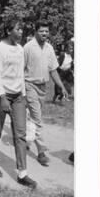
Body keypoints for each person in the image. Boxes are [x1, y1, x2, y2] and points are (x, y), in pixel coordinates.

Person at [0, 20, 37, 188]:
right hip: (2, 95)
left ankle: (22, 173)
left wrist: (23, 96)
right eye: (18, 28)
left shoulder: (20, 49)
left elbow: (20, 75)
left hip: (18, 97)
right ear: (9, 31)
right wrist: (2, 97)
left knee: (20, 135)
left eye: (22, 28)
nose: (21, 31)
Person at [24, 20, 69, 166]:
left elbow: (53, 70)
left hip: (43, 87)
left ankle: (26, 138)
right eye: (42, 31)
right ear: (36, 31)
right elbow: (20, 69)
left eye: (46, 31)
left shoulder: (49, 48)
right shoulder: (28, 47)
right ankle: (41, 151)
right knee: (37, 118)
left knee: (33, 117)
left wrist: (61, 86)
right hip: (29, 85)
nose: (44, 33)